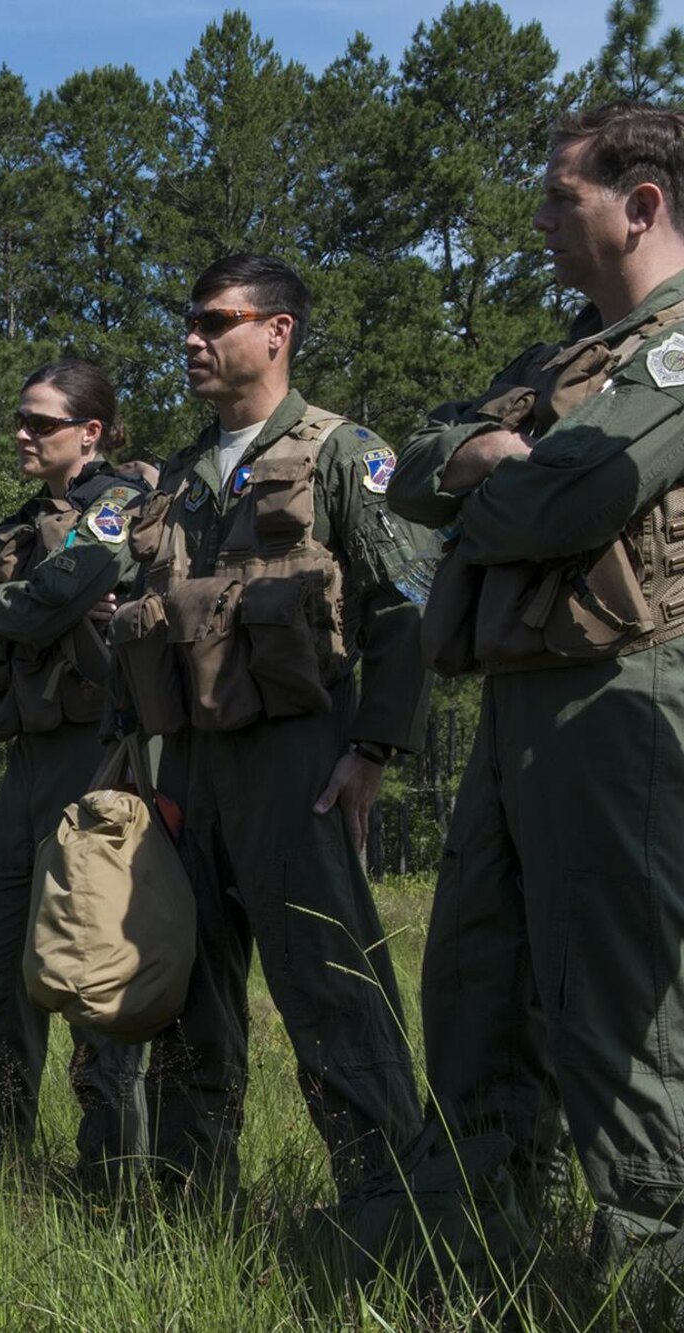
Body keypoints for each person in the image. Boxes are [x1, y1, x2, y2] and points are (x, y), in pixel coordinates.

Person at [389, 101, 684, 1286]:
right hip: (519, 703)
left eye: (561, 197)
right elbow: (408, 466)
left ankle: (648, 1274)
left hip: (625, 697)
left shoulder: (674, 350)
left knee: (618, 1009)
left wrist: (492, 471)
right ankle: (474, 1256)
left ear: (641, 205)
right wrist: (474, 457)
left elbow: (570, 501)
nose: (538, 219)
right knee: (474, 981)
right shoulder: (559, 357)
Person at [114, 254, 431, 1203]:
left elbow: (407, 602)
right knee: (186, 997)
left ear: (278, 330)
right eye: (191, 320)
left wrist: (372, 751)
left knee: (332, 988)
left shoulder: (342, 452)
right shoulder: (178, 477)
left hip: (300, 765)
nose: (193, 338)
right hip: (186, 773)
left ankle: (388, 1209)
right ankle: (187, 1205)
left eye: (216, 320)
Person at [0, 359, 150, 1174]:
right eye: (21, 419)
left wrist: (24, 607)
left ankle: (111, 1171)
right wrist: (25, 606)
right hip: (25, 763)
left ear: (90, 431)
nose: (23, 434)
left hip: (98, 757)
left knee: (91, 962)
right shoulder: (19, 522)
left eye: (43, 422)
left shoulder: (125, 505)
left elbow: (60, 596)